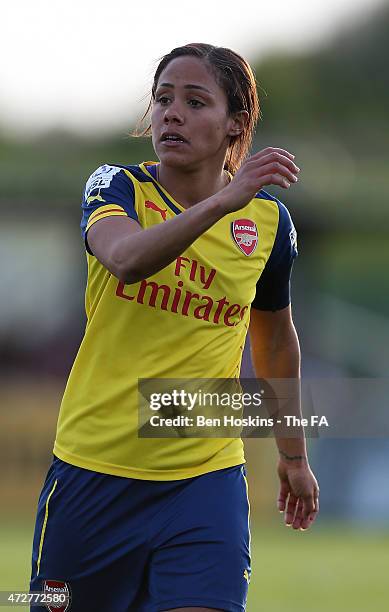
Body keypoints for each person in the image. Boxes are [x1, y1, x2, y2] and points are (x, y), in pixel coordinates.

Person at [29, 43, 319, 612]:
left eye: (193, 101)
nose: (171, 113)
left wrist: (293, 456)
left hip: (204, 478)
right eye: (162, 99)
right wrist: (225, 200)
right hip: (94, 472)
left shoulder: (267, 224)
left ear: (235, 125)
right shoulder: (115, 186)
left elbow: (276, 341)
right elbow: (128, 260)